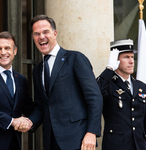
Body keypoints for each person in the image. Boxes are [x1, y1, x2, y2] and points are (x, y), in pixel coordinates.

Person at [26, 14, 103, 150]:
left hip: (78, 139)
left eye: (45, 32)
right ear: (33, 38)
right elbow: (42, 106)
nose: (41, 37)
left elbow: (94, 97)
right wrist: (29, 122)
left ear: (55, 34)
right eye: (37, 34)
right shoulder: (37, 70)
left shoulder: (75, 59)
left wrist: (92, 132)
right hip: (51, 141)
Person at [97, 39, 146, 150]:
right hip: (117, 146)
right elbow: (95, 93)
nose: (131, 61)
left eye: (132, 57)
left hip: (140, 145)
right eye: (126, 57)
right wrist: (109, 68)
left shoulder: (141, 86)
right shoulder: (108, 84)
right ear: (116, 60)